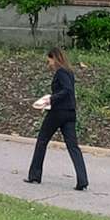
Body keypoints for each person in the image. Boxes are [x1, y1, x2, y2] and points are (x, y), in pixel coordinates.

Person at [26, 45, 88, 190]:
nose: (49, 65)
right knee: (73, 147)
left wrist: (50, 99)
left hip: (58, 112)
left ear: (54, 58)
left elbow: (66, 91)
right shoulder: (70, 72)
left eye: (49, 61)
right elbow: (69, 91)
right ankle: (82, 180)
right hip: (70, 113)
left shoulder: (61, 72)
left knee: (42, 140)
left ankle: (35, 175)